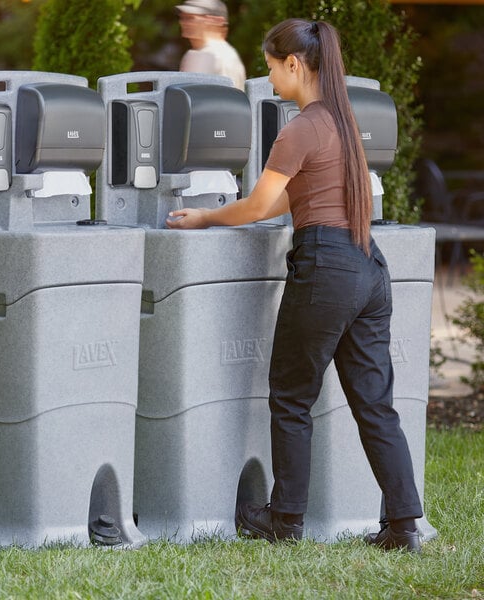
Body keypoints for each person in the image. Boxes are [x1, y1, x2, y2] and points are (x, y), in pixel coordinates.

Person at [167, 18, 424, 553]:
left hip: (326, 269)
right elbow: (292, 198)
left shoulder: (303, 125)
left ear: (294, 64)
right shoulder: (344, 122)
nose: (268, 76)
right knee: (376, 405)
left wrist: (206, 218)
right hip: (369, 270)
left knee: (289, 398)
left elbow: (261, 205)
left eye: (269, 65)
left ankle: (284, 520)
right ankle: (403, 526)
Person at [176, 0, 246, 90]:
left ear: (216, 20)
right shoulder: (193, 54)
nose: (183, 22)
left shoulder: (222, 56)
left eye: (191, 17)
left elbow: (228, 101)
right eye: (183, 17)